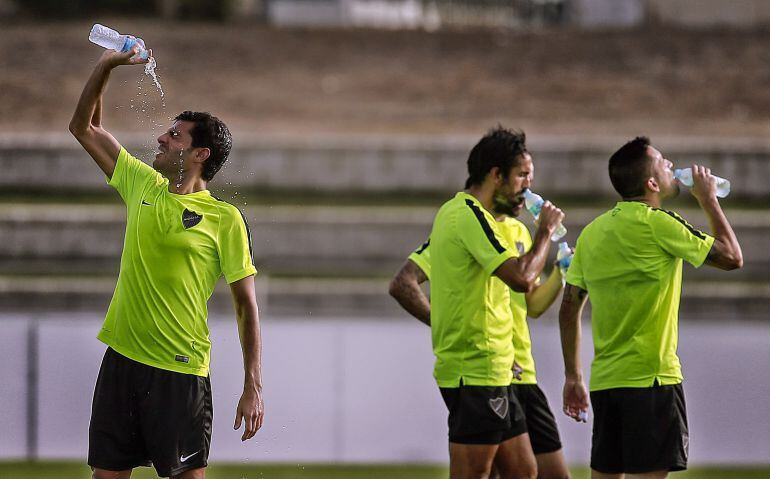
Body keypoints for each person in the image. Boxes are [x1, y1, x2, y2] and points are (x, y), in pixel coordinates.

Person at [69, 46, 264, 479]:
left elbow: (246, 305)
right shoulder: (143, 183)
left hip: (180, 372)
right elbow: (84, 126)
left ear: (201, 155)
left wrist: (253, 384)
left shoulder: (225, 219)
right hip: (121, 360)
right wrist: (106, 66)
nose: (161, 138)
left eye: (175, 135)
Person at [389, 130, 571, 479]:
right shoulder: (464, 215)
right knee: (474, 474)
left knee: (524, 472)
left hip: (501, 369)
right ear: (495, 174)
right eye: (521, 176)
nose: (529, 187)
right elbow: (520, 279)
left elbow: (524, 300)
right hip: (474, 370)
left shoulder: (493, 224)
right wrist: (546, 232)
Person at [559, 137, 742, 479]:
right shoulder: (659, 223)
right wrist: (709, 201)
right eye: (663, 162)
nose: (672, 164)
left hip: (606, 383)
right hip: (652, 380)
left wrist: (573, 376)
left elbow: (569, 306)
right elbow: (732, 257)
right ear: (652, 183)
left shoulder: (592, 233)